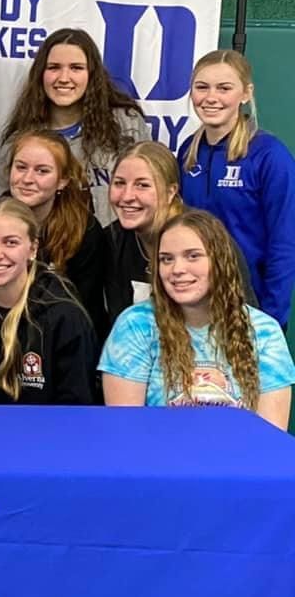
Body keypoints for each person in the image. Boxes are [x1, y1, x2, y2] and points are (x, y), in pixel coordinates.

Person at [100, 210, 295, 430]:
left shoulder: (264, 331)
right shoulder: (135, 326)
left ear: (220, 261)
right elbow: (125, 433)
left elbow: (269, 441)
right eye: (166, 259)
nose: (177, 269)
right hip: (159, 461)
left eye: (193, 256)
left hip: (239, 462)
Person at [178, 49, 295, 327]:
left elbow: (284, 243)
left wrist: (271, 320)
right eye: (202, 87)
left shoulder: (269, 156)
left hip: (249, 306)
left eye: (224, 88)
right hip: (194, 305)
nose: (211, 97)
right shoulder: (187, 152)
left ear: (246, 93)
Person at [0, 28, 150, 226]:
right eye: (54, 67)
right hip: (50, 251)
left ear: (92, 74)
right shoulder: (21, 140)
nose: (64, 78)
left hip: (115, 249)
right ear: (41, 74)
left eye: (76, 68)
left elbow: (150, 191)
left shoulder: (126, 123)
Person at [0, 198, 97, 404]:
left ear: (32, 249)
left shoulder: (64, 315)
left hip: (46, 432)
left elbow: (77, 407)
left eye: (10, 242)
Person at [105, 140, 256, 326]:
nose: (127, 196)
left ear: (171, 192)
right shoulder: (111, 240)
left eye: (142, 185)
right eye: (119, 183)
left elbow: (243, 322)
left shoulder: (206, 237)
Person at [0, 129, 106, 333]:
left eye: (42, 171)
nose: (28, 179)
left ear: (62, 180)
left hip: (61, 340)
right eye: (21, 167)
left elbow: (87, 311)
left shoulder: (84, 230)